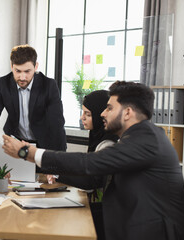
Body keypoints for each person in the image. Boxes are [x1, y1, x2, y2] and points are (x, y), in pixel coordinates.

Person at [2, 81, 184, 240]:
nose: (103, 114)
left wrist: (29, 153)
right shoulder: (140, 136)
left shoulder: (146, 138)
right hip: (132, 221)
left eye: (110, 108)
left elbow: (90, 163)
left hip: (151, 232)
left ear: (128, 112)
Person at [0, 44, 66, 162]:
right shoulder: (3, 84)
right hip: (15, 146)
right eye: (18, 71)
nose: (22, 77)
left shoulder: (48, 86)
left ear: (36, 66)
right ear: (12, 66)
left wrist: (59, 161)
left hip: (41, 147)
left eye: (27, 71)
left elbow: (57, 125)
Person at [56, 90, 119, 240]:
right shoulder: (98, 136)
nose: (82, 118)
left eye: (88, 114)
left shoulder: (108, 143)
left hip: (108, 214)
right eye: (82, 112)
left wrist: (57, 173)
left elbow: (92, 182)